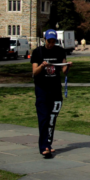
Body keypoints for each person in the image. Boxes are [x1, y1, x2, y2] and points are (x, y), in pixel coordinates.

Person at [30, 29, 72, 159]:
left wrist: (68, 66)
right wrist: (42, 66)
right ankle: (44, 147)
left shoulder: (59, 51)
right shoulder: (38, 52)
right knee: (44, 118)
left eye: (53, 41)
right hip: (42, 89)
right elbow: (34, 73)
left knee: (52, 118)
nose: (51, 44)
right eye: (49, 41)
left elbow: (63, 70)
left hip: (55, 89)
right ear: (45, 39)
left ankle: (48, 142)